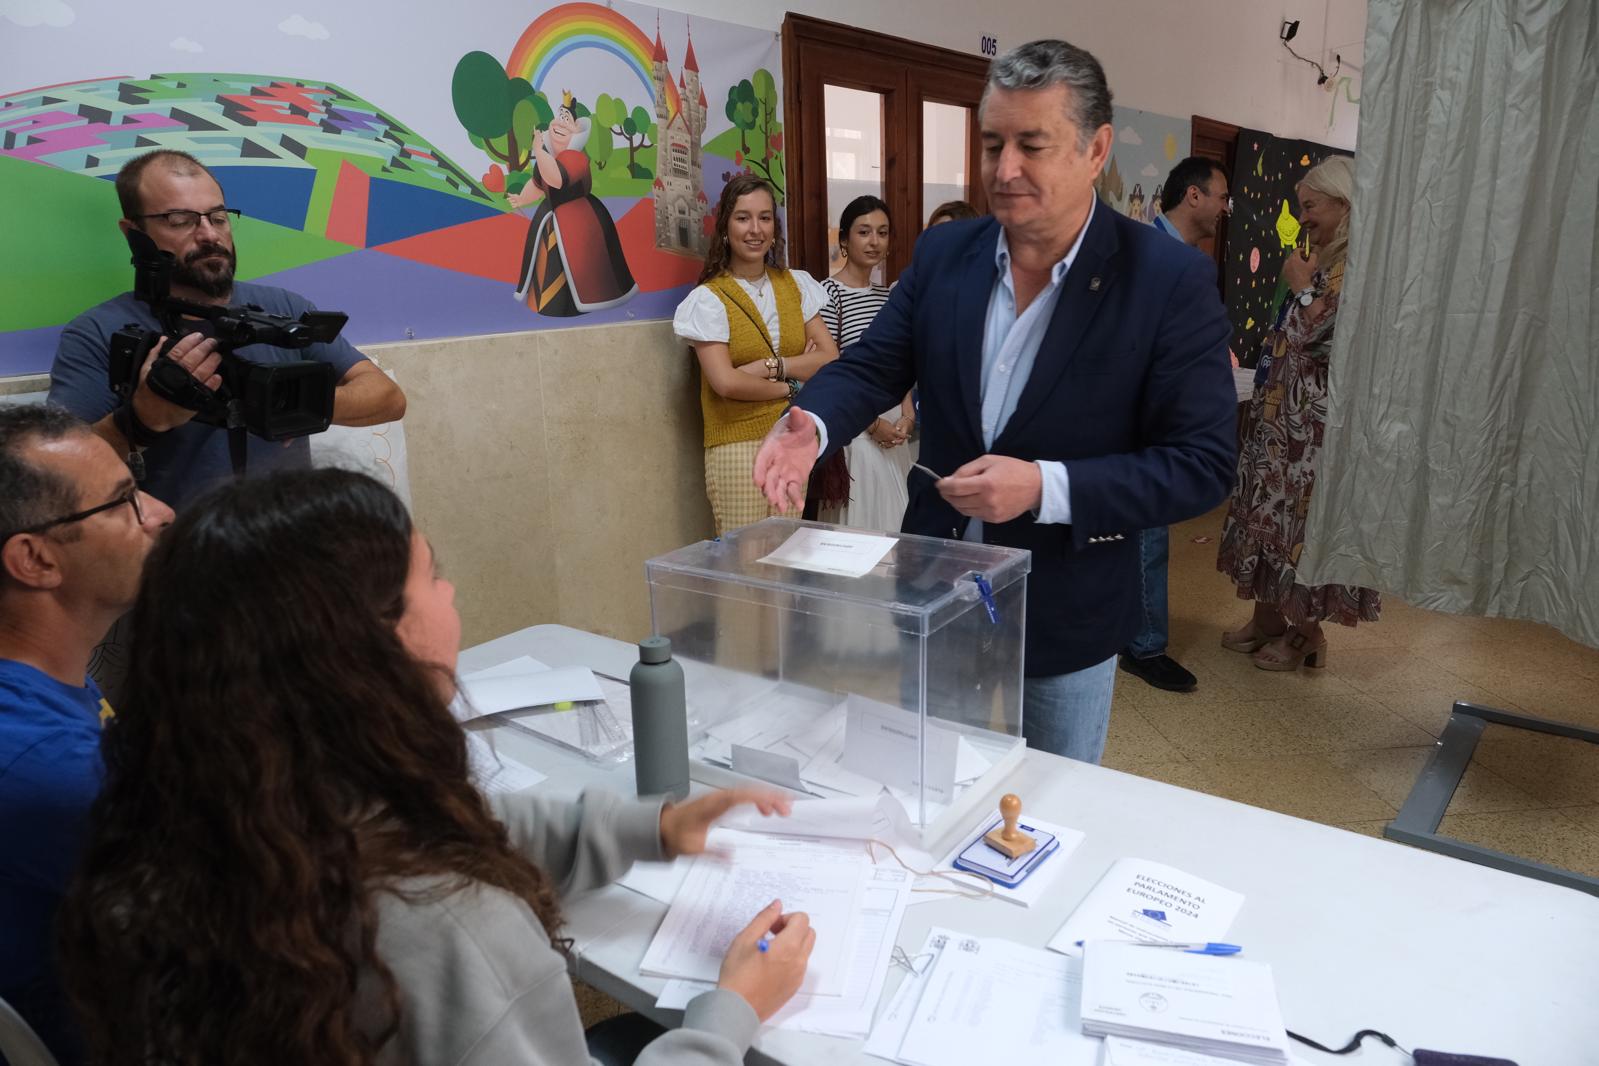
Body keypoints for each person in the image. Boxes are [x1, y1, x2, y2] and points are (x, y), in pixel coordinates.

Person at [56, 467, 815, 1065]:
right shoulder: (449, 931)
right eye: (434, 578)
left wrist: (648, 826)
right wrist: (731, 1011)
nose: (452, 593)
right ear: (370, 647)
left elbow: (448, 824)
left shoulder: (187, 818)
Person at [753, 40, 1237, 764]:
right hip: (935, 590)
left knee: (1042, 811)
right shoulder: (948, 256)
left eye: (1031, 145)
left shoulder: (1165, 281)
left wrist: (1045, 487)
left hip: (1065, 602)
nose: (1003, 170)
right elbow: (874, 365)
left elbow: (1200, 465)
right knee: (925, 782)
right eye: (990, 144)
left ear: (1095, 148)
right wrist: (811, 424)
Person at [48, 149, 407, 513]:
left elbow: (388, 398)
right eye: (179, 220)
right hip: (176, 551)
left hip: (291, 542)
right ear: (134, 233)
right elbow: (56, 471)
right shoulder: (96, 332)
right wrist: (141, 421)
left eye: (218, 217)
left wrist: (289, 404)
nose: (209, 235)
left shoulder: (284, 309)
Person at [0, 404, 173, 1065]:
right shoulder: (47, 765)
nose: (158, 514)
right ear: (36, 559)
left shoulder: (48, 683)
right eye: (124, 502)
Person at [1217, 156, 1377, 670]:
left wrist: (1302, 285)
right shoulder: (1325, 259)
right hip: (1282, 419)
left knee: (1300, 528)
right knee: (1269, 516)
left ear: (1343, 203)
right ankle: (1267, 618)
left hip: (1314, 431)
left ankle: (1307, 634)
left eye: (1310, 206)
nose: (1303, 217)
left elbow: (1325, 340)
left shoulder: (1361, 265)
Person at [1118, 156, 1233, 695]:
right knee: (1147, 530)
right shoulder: (1148, 253)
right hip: (1137, 415)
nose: (1224, 208)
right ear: (1193, 196)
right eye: (1220, 196)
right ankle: (1144, 646)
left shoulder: (1175, 254)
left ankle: (1130, 632)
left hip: (1156, 410)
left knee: (1137, 528)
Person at [674, 174, 838, 535]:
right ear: (725, 226)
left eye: (764, 218)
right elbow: (727, 383)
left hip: (792, 438)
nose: (755, 229)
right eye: (743, 217)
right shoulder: (710, 299)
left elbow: (829, 358)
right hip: (737, 445)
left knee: (784, 557)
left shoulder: (795, 285)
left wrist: (770, 367)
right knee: (744, 564)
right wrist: (793, 385)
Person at [819, 195, 917, 532]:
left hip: (894, 433)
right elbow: (829, 370)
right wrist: (874, 425)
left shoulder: (890, 297)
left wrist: (907, 415)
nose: (874, 241)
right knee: (863, 534)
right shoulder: (827, 294)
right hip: (856, 432)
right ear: (844, 239)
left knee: (899, 529)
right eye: (864, 232)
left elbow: (900, 364)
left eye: (882, 232)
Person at [508, 91, 639, 315]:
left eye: (566, 121)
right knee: (546, 263)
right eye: (558, 117)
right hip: (550, 220)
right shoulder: (548, 158)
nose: (559, 123)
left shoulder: (575, 158)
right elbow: (539, 183)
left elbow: (556, 179)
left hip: (579, 223)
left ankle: (570, 305)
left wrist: (538, 150)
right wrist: (521, 198)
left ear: (577, 134)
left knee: (578, 266)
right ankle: (546, 302)